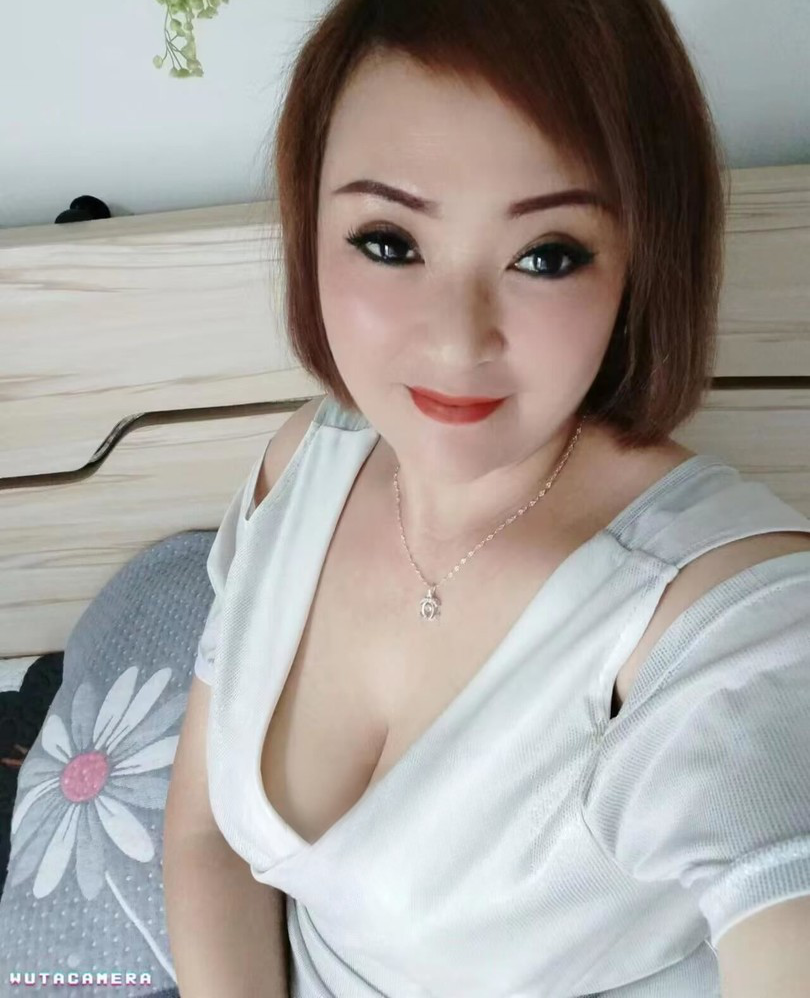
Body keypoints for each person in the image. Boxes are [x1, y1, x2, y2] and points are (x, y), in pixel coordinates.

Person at [165, 1, 810, 995]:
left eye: (546, 254)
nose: (458, 340)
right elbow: (206, 834)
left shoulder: (723, 619)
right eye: (389, 240)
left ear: (642, 260)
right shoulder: (305, 465)